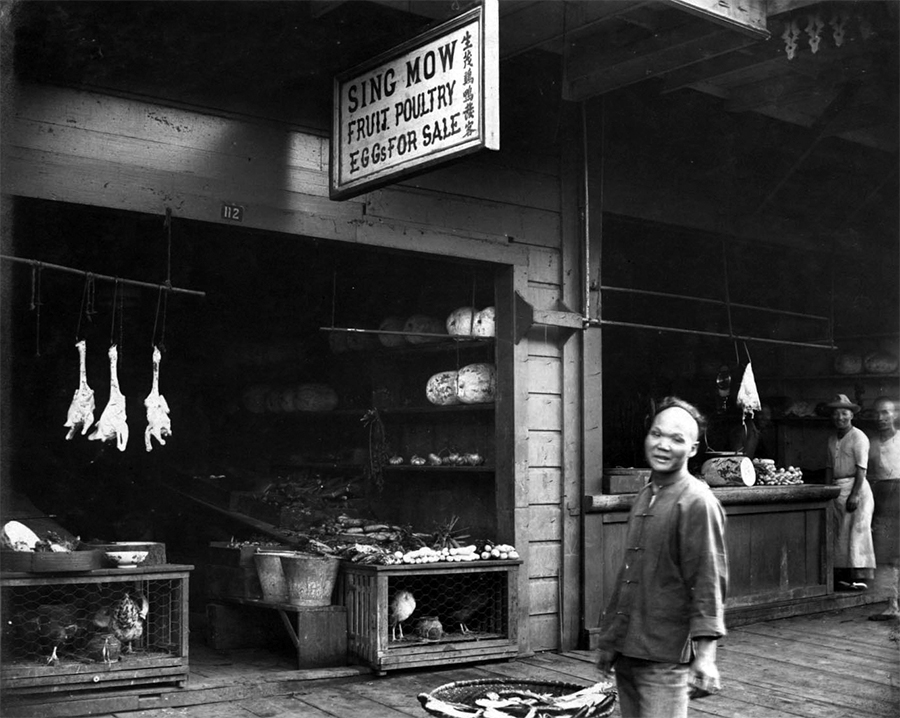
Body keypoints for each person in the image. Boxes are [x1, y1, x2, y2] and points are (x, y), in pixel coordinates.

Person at [595, 397, 728, 718]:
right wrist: (610, 642)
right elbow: (629, 577)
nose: (663, 445)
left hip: (665, 658)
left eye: (677, 439)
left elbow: (708, 583)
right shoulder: (645, 494)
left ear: (693, 449)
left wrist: (706, 656)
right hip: (628, 649)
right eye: (657, 434)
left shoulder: (697, 502)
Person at [825, 394, 875, 590]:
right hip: (837, 489)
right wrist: (827, 492)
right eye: (836, 414)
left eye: (844, 413)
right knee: (840, 533)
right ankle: (844, 578)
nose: (840, 417)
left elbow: (861, 468)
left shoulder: (858, 437)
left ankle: (860, 577)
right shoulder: (831, 439)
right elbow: (829, 467)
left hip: (857, 488)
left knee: (857, 533)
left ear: (851, 415)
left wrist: (855, 494)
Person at [868, 396, 900, 621]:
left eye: (886, 413)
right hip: (882, 498)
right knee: (888, 555)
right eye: (877, 413)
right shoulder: (871, 443)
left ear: (896, 415)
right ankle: (893, 604)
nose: (881, 418)